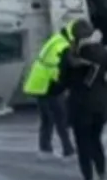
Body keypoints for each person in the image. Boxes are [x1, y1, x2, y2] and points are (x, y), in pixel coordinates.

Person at [59, 26, 107, 180]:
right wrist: (105, 88)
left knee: (83, 143)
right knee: (96, 141)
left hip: (80, 105)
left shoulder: (72, 56)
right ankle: (102, 177)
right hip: (100, 105)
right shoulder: (102, 52)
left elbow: (63, 81)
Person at [23, 21, 94, 159]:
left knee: (47, 118)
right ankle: (68, 149)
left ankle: (45, 148)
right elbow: (71, 63)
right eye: (84, 37)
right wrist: (88, 63)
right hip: (49, 85)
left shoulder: (58, 39)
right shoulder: (63, 46)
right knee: (60, 117)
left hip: (39, 82)